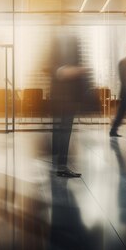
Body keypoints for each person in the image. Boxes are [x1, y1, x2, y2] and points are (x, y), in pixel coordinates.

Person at [51, 34, 89, 178]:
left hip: (69, 95)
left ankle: (58, 163)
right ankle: (61, 166)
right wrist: (63, 72)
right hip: (61, 94)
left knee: (62, 128)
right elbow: (50, 66)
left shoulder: (71, 39)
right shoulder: (56, 40)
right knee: (64, 129)